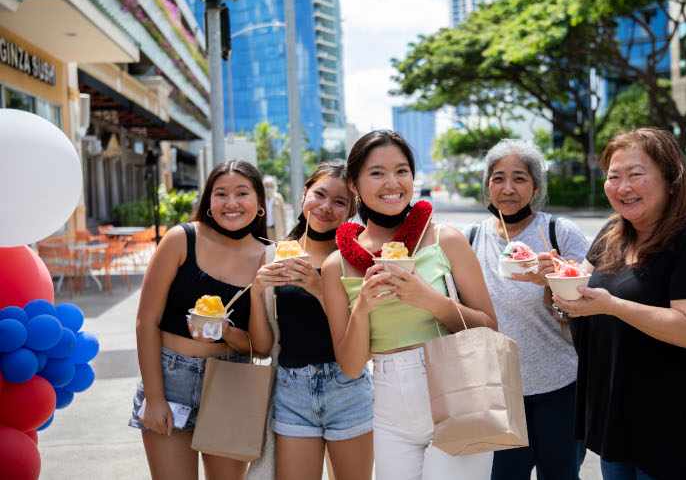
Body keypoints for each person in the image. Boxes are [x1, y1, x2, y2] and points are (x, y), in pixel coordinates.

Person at [550, 128, 686, 480]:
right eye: (613, 176)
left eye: (636, 175)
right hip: (617, 424)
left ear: (671, 180)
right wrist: (552, 279)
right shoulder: (611, 234)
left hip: (676, 433)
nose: (623, 187)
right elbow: (580, 293)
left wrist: (613, 306)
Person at [321, 130, 499, 480]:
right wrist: (363, 307)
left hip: (456, 390)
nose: (392, 183)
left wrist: (430, 300)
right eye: (377, 173)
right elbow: (353, 366)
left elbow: (490, 328)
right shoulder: (336, 265)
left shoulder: (445, 238)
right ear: (354, 184)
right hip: (389, 407)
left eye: (402, 171)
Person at [130, 159, 273, 480]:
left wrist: (226, 332)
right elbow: (146, 321)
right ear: (209, 201)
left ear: (260, 202)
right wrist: (154, 398)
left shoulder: (269, 256)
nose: (231, 203)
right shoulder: (182, 239)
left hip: (231, 383)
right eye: (221, 194)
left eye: (242, 193)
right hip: (170, 380)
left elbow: (260, 348)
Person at [463, 139, 587, 480]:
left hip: (561, 389)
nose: (507, 188)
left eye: (519, 178)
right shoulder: (470, 239)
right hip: (496, 395)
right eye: (498, 178)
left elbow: (594, 297)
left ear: (535, 186)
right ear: (487, 184)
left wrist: (554, 279)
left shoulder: (557, 233)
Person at [250, 160, 374, 480]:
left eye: (339, 202)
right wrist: (256, 290)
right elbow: (262, 348)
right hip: (292, 391)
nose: (325, 207)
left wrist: (320, 290)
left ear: (350, 210)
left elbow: (367, 344)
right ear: (304, 194)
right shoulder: (272, 255)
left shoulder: (355, 260)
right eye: (319, 194)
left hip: (348, 389)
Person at [264, 175, 288, 241]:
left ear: (273, 187)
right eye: (266, 186)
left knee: (276, 249)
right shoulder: (261, 199)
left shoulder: (278, 198)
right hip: (264, 230)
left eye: (270, 186)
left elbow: (283, 217)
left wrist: (284, 233)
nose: (268, 188)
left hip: (276, 230)